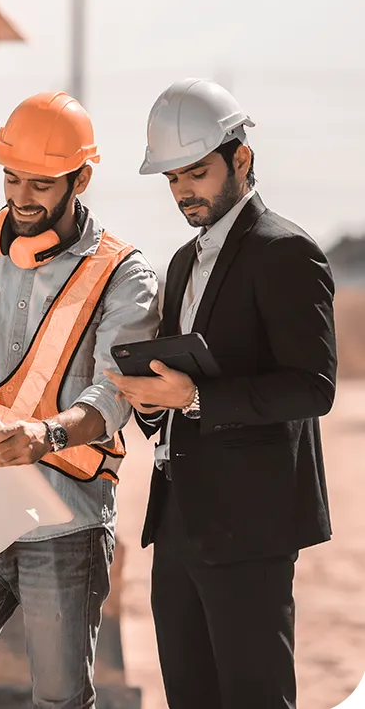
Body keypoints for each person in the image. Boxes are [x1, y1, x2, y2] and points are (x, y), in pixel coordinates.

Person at [0, 91, 160, 708]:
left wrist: (50, 435)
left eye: (41, 183)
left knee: (60, 703)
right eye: (12, 178)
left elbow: (115, 392)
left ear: (81, 179)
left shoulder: (123, 276)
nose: (20, 196)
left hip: (64, 524)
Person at [106, 78, 337, 709]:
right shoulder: (181, 262)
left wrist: (199, 400)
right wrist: (155, 404)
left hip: (253, 526)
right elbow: (184, 382)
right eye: (173, 178)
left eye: (197, 172)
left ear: (242, 159)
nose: (184, 190)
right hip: (180, 520)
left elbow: (313, 387)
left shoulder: (286, 252)